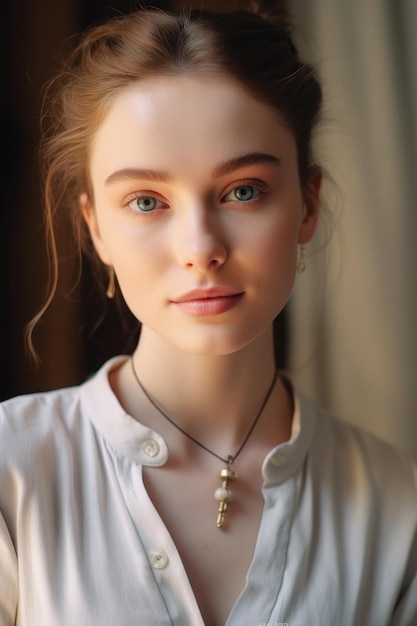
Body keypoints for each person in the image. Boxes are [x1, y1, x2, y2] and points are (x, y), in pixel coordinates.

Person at [1, 3, 416, 625]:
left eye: (243, 191)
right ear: (97, 231)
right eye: (146, 201)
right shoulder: (13, 471)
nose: (200, 249)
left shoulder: (397, 507)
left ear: (307, 205)